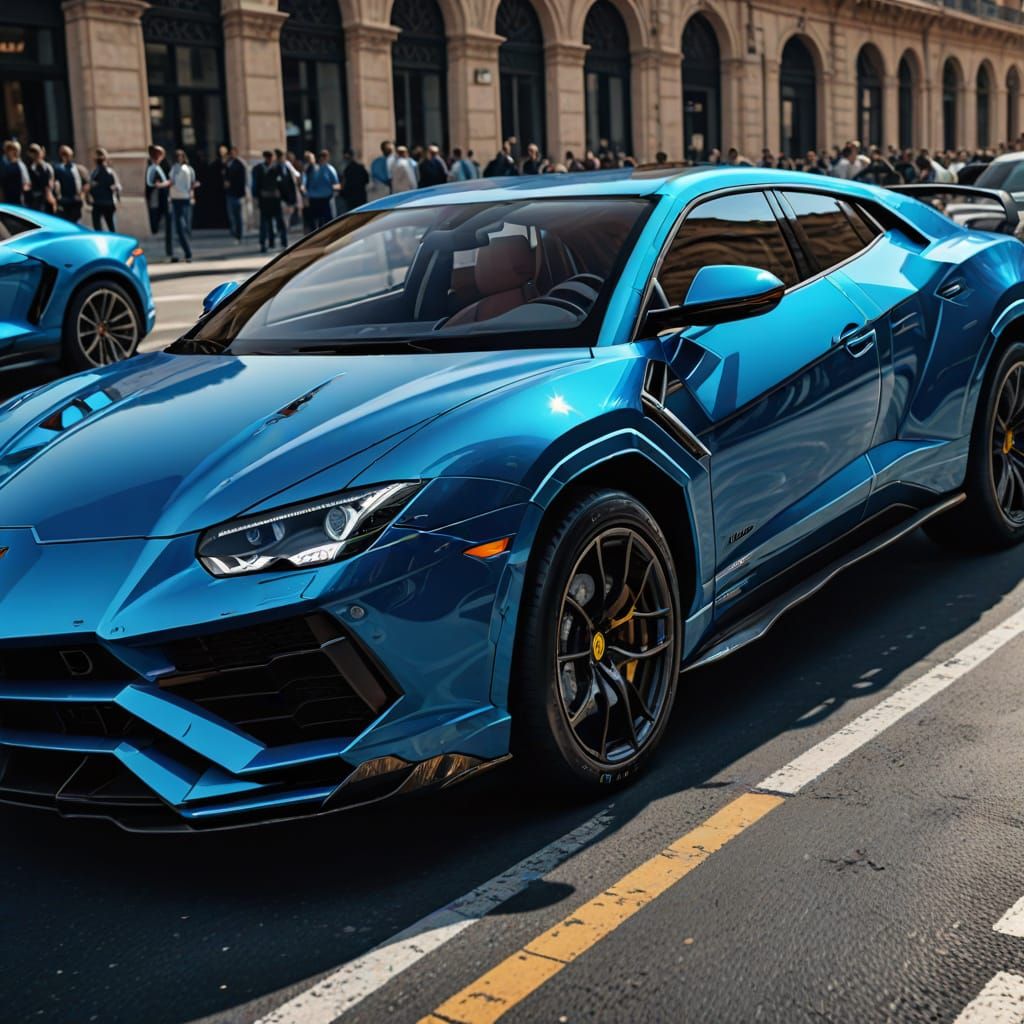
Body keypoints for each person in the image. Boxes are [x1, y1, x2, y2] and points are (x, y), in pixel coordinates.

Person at [252, 149, 288, 252]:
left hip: (274, 199)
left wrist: (283, 196)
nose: (269, 159)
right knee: (266, 223)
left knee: (277, 222)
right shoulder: (259, 169)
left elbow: (283, 183)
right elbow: (256, 185)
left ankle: (282, 242)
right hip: (266, 199)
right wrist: (256, 196)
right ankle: (265, 243)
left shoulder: (278, 168)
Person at [167, 148, 196, 262]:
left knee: (182, 227)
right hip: (177, 198)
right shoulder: (175, 168)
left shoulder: (183, 169)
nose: (179, 158)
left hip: (182, 198)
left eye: (181, 156)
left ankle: (187, 253)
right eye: (178, 156)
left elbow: (173, 182)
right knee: (181, 227)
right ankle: (184, 252)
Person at [145, 145, 172, 259]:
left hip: (162, 198)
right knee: (162, 222)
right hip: (159, 198)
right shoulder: (153, 167)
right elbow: (150, 183)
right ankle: (168, 251)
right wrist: (165, 184)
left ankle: (169, 250)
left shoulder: (156, 166)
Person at [304, 149, 340, 228]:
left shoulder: (312, 169)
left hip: (316, 199)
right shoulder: (329, 169)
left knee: (317, 223)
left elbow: (306, 184)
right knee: (326, 223)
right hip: (324, 199)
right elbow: (336, 184)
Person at [87, 148, 121, 231]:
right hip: (109, 202)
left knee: (98, 227)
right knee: (111, 226)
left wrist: (89, 198)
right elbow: (118, 187)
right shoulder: (111, 172)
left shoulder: (95, 173)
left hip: (98, 203)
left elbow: (90, 186)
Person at [54, 145, 88, 223]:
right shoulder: (58, 169)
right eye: (64, 154)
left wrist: (82, 194)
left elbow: (86, 184)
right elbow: (54, 183)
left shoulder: (78, 169)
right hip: (64, 201)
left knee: (76, 222)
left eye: (68, 155)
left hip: (76, 202)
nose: (67, 157)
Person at [224, 145, 247, 243]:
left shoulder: (239, 164)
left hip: (237, 194)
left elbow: (242, 180)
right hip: (230, 193)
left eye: (234, 152)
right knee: (232, 216)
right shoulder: (228, 163)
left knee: (238, 216)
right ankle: (234, 233)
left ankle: (239, 235)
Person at [25, 144, 56, 213]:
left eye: (37, 152)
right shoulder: (28, 167)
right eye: (33, 153)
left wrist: (50, 194)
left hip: (47, 198)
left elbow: (51, 181)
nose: (35, 155)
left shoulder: (47, 167)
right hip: (34, 199)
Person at [1, 141, 30, 205]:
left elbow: (26, 183)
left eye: (12, 150)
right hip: (6, 199)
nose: (9, 153)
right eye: (8, 150)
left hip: (18, 199)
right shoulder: (4, 165)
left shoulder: (20, 165)